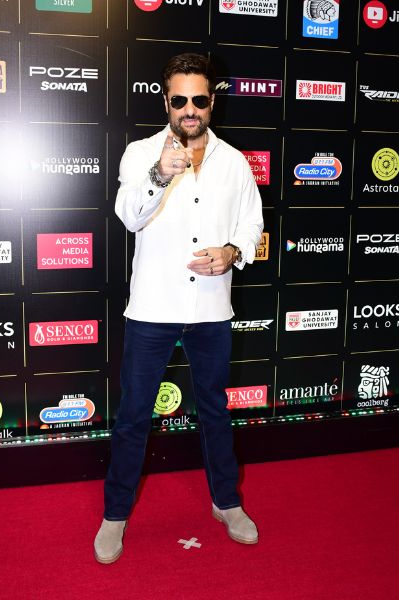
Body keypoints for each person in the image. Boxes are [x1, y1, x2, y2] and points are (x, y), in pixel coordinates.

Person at [94, 53, 264, 564]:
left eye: (199, 99)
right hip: (153, 308)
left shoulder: (234, 162)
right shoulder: (140, 154)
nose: (190, 109)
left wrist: (232, 252)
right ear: (165, 102)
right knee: (133, 417)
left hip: (211, 309)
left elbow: (252, 224)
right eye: (180, 100)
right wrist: (159, 174)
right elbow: (128, 216)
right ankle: (114, 516)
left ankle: (227, 503)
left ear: (212, 102)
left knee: (214, 410)